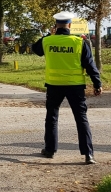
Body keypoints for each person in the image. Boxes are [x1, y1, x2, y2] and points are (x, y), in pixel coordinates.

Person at [31, 12, 102, 164]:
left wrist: (48, 35)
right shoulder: (79, 42)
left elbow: (35, 49)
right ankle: (88, 154)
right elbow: (90, 65)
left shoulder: (47, 41)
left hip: (54, 86)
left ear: (56, 26)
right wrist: (97, 84)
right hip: (75, 86)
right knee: (81, 119)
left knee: (52, 117)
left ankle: (50, 150)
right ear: (70, 25)